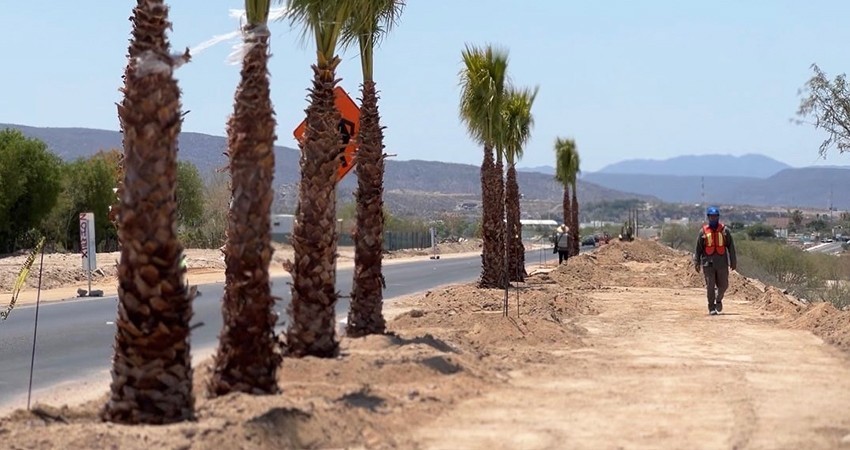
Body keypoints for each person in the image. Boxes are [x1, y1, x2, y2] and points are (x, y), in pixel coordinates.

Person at [693, 206, 737, 315]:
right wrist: (697, 262)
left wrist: (733, 261)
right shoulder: (703, 232)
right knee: (710, 286)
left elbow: (731, 247)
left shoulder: (724, 231)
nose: (713, 218)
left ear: (718, 217)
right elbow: (698, 249)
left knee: (724, 285)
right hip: (708, 263)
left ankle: (718, 299)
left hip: (722, 262)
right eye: (711, 216)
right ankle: (711, 307)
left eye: (715, 216)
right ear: (708, 217)